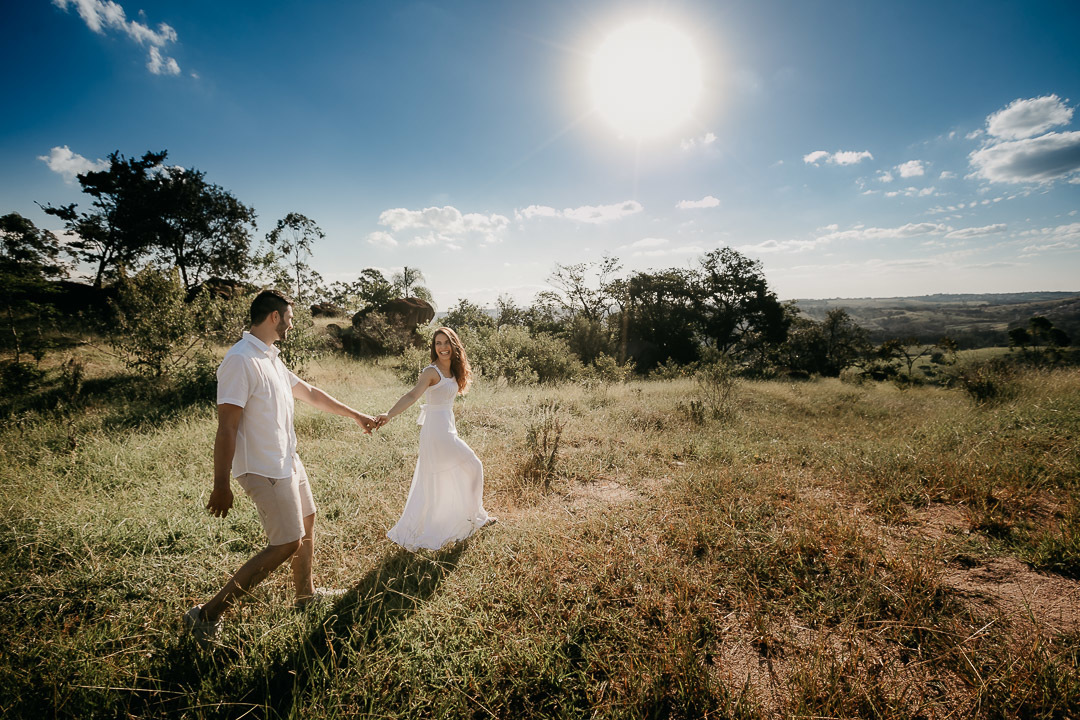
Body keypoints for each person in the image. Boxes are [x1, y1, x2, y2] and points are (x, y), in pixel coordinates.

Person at [184, 289, 378, 646]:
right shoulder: (240, 360)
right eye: (289, 317)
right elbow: (226, 426)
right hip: (262, 466)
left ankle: (305, 595)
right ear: (274, 317)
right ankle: (207, 614)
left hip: (287, 460)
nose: (292, 323)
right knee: (288, 541)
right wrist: (220, 483)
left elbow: (309, 392)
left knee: (307, 520)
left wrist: (355, 415)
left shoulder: (270, 357)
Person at [376, 327, 494, 551]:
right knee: (473, 465)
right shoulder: (431, 372)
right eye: (438, 343)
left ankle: (469, 517)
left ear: (454, 345)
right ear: (434, 347)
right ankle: (476, 517)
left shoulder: (452, 371)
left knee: (451, 474)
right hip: (436, 432)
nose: (442, 348)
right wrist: (389, 414)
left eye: (446, 343)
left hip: (447, 428)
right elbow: (412, 395)